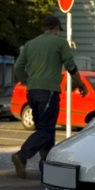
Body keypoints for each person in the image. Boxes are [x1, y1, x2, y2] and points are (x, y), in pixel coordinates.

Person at [12, 16, 88, 178]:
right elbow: (70, 66)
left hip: (32, 92)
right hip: (49, 92)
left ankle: (46, 171)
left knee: (45, 130)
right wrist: (80, 85)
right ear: (56, 29)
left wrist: (27, 81)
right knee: (46, 130)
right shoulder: (59, 43)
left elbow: (17, 67)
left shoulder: (30, 44)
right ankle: (22, 155)